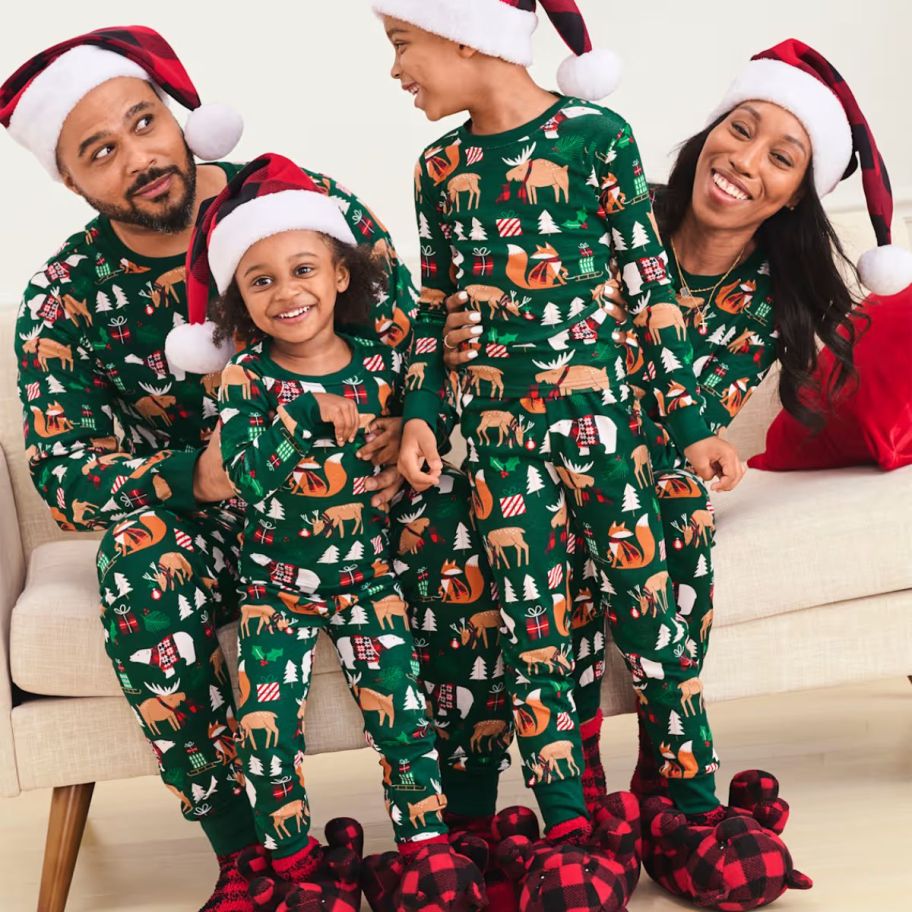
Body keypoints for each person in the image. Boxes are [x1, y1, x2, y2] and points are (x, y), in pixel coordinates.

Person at [441, 36, 912, 910]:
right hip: (534, 464)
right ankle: (575, 802)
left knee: (669, 515)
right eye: (740, 129)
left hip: (649, 482)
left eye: (782, 156)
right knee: (531, 538)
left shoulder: (773, 296)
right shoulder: (604, 214)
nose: (746, 161)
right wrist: (461, 334)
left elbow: (665, 414)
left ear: (798, 194)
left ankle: (672, 790)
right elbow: (499, 318)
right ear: (708, 134)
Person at [2, 26, 413, 911]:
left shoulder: (300, 202)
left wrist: (399, 430)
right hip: (223, 530)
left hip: (360, 505)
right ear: (70, 180)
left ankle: (463, 827)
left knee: (491, 516)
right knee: (139, 554)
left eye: (143, 123)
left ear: (179, 116)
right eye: (100, 152)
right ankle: (249, 858)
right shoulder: (63, 297)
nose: (138, 157)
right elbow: (66, 473)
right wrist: (194, 476)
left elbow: (412, 337)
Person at [373, 0, 742, 895]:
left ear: (467, 37)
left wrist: (691, 424)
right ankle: (569, 823)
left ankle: (694, 806)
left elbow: (649, 284)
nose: (395, 70)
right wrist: (420, 413)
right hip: (499, 452)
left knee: (651, 619)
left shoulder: (594, 137)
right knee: (533, 635)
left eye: (402, 45)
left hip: (610, 436)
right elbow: (433, 310)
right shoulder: (440, 168)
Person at [175, 152, 482, 907]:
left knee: (404, 717)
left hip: (366, 579)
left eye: (304, 269)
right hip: (275, 586)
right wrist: (299, 420)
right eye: (261, 280)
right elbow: (241, 471)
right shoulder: (247, 378)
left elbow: (430, 408)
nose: (287, 292)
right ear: (239, 304)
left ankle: (425, 851)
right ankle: (289, 868)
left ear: (341, 276)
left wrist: (404, 428)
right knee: (268, 730)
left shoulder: (380, 365)